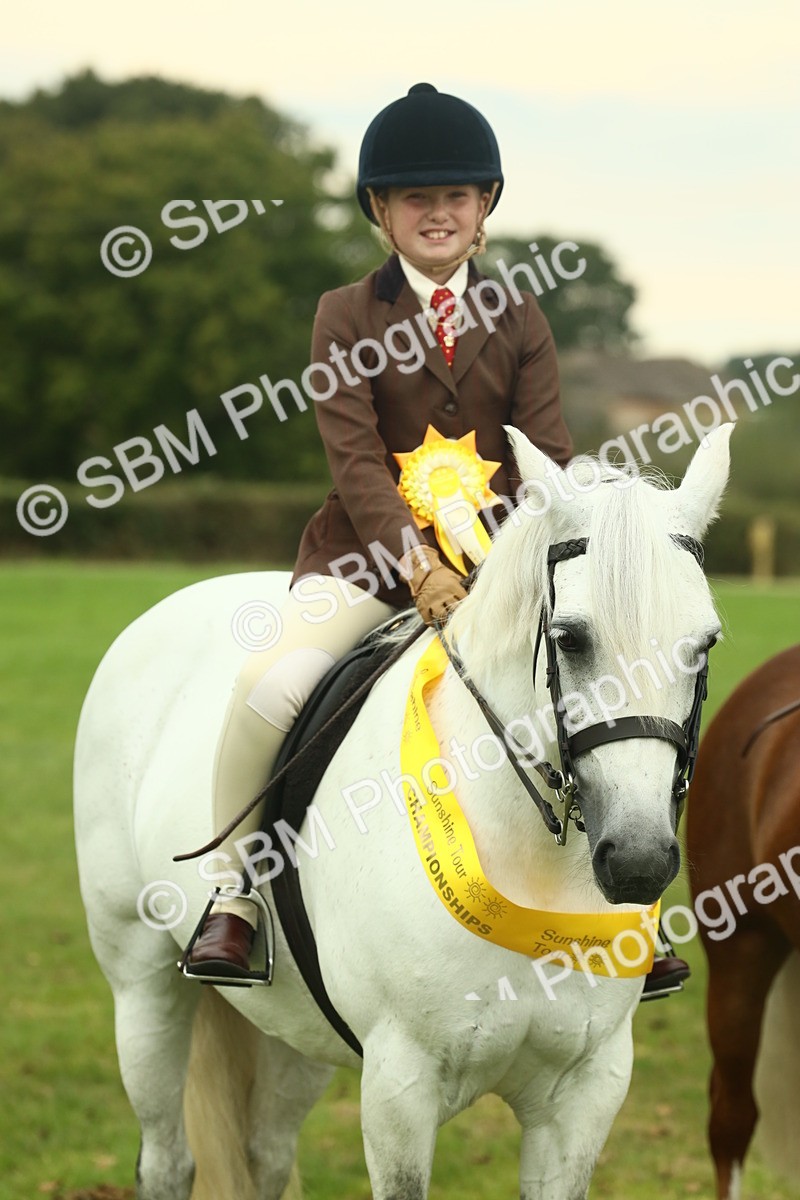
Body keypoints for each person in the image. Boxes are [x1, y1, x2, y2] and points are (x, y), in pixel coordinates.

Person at [184, 82, 572, 978]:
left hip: (502, 568)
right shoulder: (345, 314)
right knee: (269, 686)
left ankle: (616, 902)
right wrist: (421, 566)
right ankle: (233, 893)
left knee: (597, 691)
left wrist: (516, 566)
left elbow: (546, 456)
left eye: (455, 196)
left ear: (484, 205)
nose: (437, 213)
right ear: (380, 212)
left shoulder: (521, 315)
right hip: (364, 564)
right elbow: (356, 460)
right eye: (415, 197)